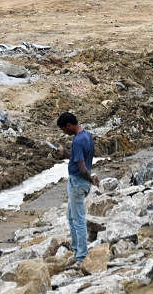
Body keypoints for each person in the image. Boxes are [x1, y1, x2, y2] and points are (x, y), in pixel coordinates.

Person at [58, 111, 98, 265]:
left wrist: (91, 179)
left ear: (69, 125)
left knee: (79, 220)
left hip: (78, 182)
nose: (64, 132)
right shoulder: (86, 135)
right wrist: (64, 154)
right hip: (81, 181)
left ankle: (81, 256)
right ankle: (76, 248)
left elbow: (81, 168)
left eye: (63, 129)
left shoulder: (77, 141)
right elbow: (78, 158)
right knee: (71, 216)